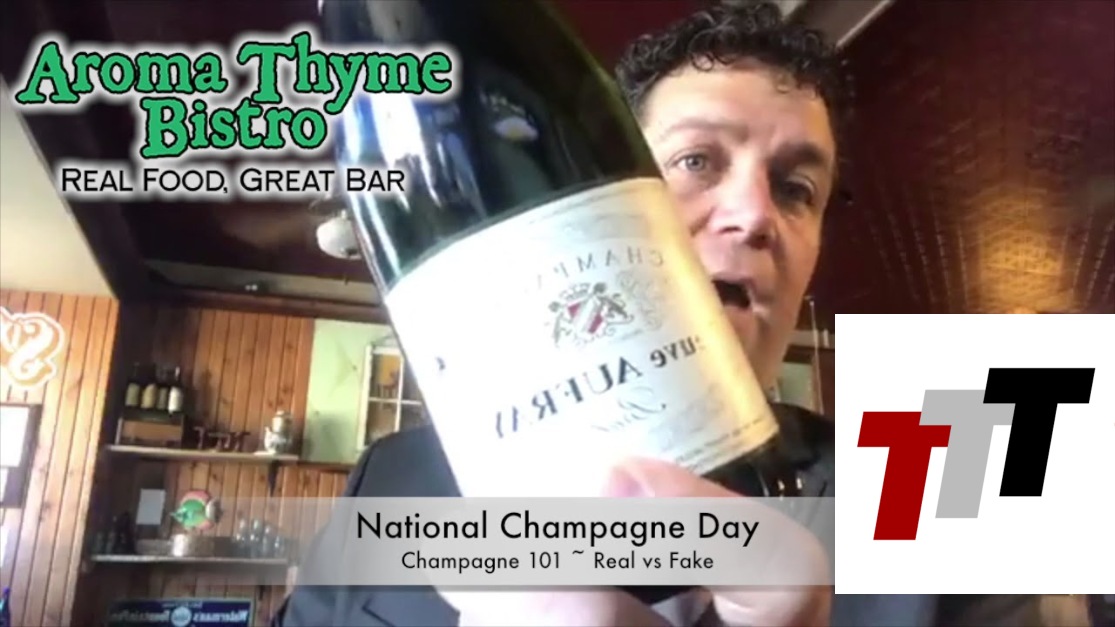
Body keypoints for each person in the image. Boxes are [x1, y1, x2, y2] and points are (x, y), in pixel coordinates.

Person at [274, 1, 1046, 625]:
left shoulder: (946, 505)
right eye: (695, 161)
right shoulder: (392, 483)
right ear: (594, 183)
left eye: (795, 189)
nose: (754, 215)